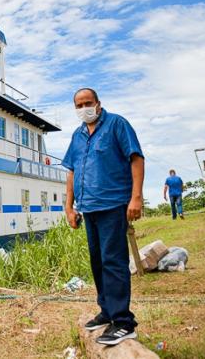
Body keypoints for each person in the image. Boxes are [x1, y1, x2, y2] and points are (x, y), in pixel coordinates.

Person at [62, 87, 144, 346]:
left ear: (98, 103)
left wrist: (136, 197)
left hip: (113, 204)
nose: (83, 108)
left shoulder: (117, 124)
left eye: (87, 103)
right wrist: (69, 207)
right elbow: (72, 171)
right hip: (89, 208)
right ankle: (107, 311)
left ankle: (123, 322)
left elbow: (136, 158)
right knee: (97, 262)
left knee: (113, 261)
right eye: (79, 105)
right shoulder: (77, 135)